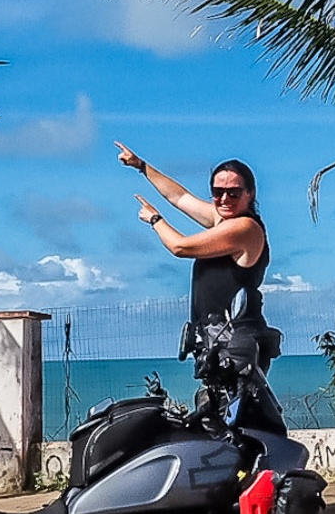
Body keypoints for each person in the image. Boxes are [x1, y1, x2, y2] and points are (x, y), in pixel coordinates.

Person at [114, 141, 276, 372]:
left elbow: (180, 247)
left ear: (250, 194)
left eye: (233, 193)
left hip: (235, 347)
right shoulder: (223, 219)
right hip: (216, 342)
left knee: (232, 408)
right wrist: (141, 166)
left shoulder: (244, 228)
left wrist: (155, 219)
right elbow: (179, 197)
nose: (225, 199)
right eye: (218, 192)